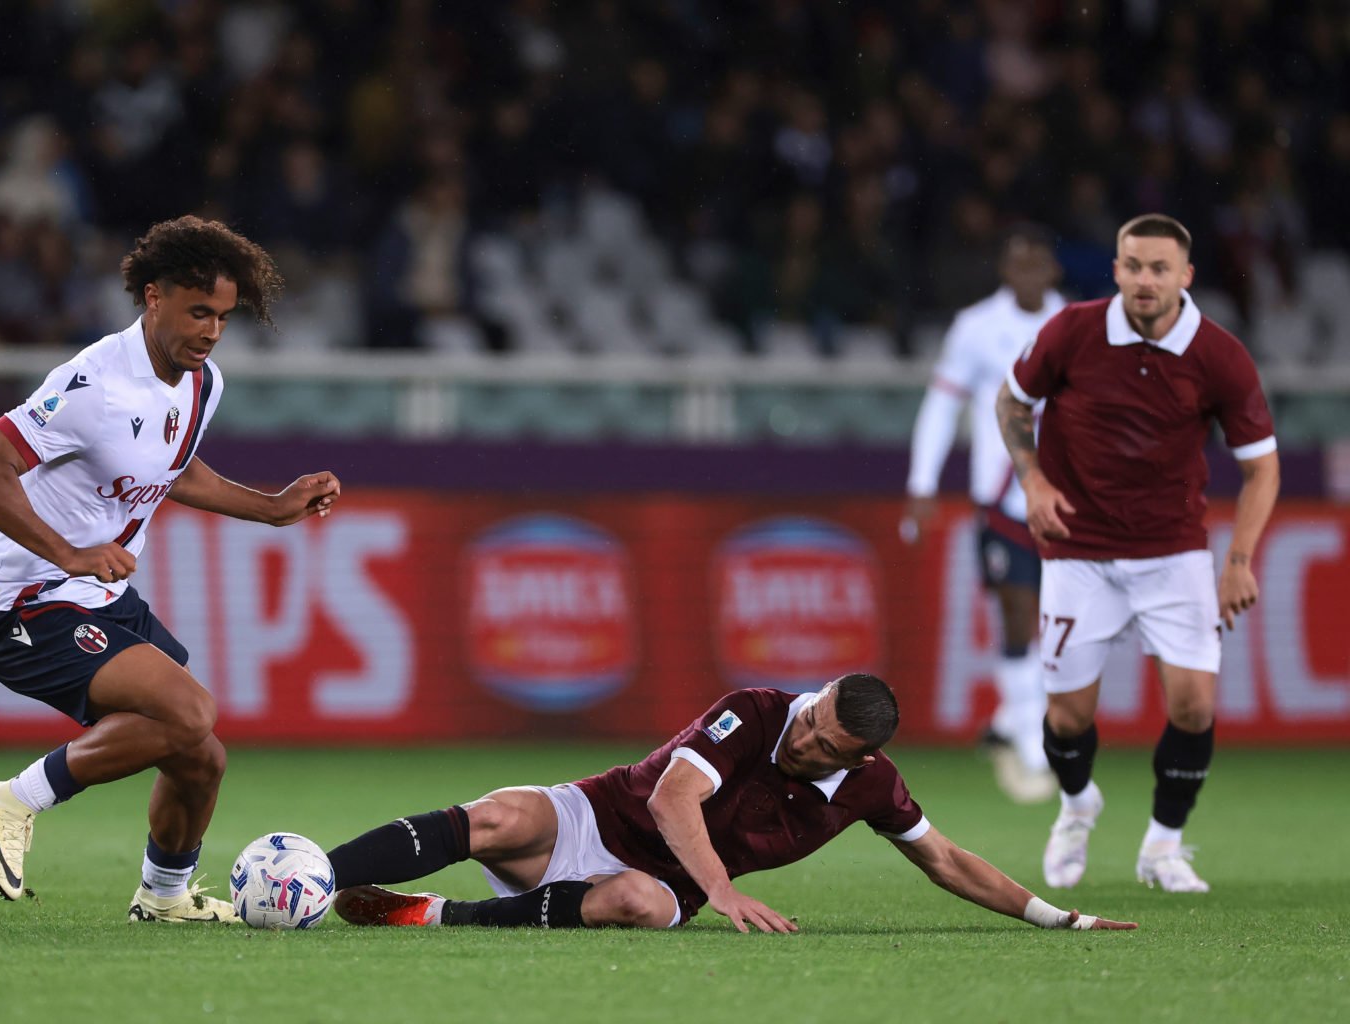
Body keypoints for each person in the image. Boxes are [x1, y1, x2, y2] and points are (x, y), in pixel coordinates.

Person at [0, 215, 342, 923]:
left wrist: (273, 507)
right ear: (153, 296)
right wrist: (67, 554)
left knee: (202, 756)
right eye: (199, 312)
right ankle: (10, 801)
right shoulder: (94, 382)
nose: (212, 330)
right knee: (191, 711)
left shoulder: (201, 383)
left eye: (223, 317)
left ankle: (163, 899)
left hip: (99, 598)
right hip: (27, 603)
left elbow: (174, 471)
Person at [321, 675, 1136, 934]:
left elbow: (946, 859)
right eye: (811, 719)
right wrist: (722, 890)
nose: (803, 739)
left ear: (861, 758)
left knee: (637, 900)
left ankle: (426, 917)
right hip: (603, 816)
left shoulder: (873, 790)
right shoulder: (756, 709)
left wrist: (1057, 919)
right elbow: (676, 797)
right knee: (501, 813)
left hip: (663, 882)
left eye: (823, 745)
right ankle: (316, 878)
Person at [995, 213, 1279, 894]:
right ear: (1116, 269)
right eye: (1133, 266)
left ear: (1185, 276)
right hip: (1078, 552)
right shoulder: (1073, 331)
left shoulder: (1219, 355)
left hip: (1172, 553)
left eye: (1159, 268)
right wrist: (1032, 480)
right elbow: (1012, 403)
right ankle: (1075, 806)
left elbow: (1262, 468)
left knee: (1194, 708)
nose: (1145, 280)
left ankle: (1164, 845)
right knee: (1067, 718)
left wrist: (1238, 560)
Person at [903, 225, 1065, 804]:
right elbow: (943, 405)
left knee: (1068, 623)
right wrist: (922, 484)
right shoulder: (976, 327)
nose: (1028, 272)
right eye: (1017, 261)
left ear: (1052, 269)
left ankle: (1007, 720)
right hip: (1001, 498)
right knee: (1017, 612)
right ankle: (1029, 741)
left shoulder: (1077, 325)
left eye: (1037, 261)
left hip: (1066, 500)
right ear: (1004, 269)